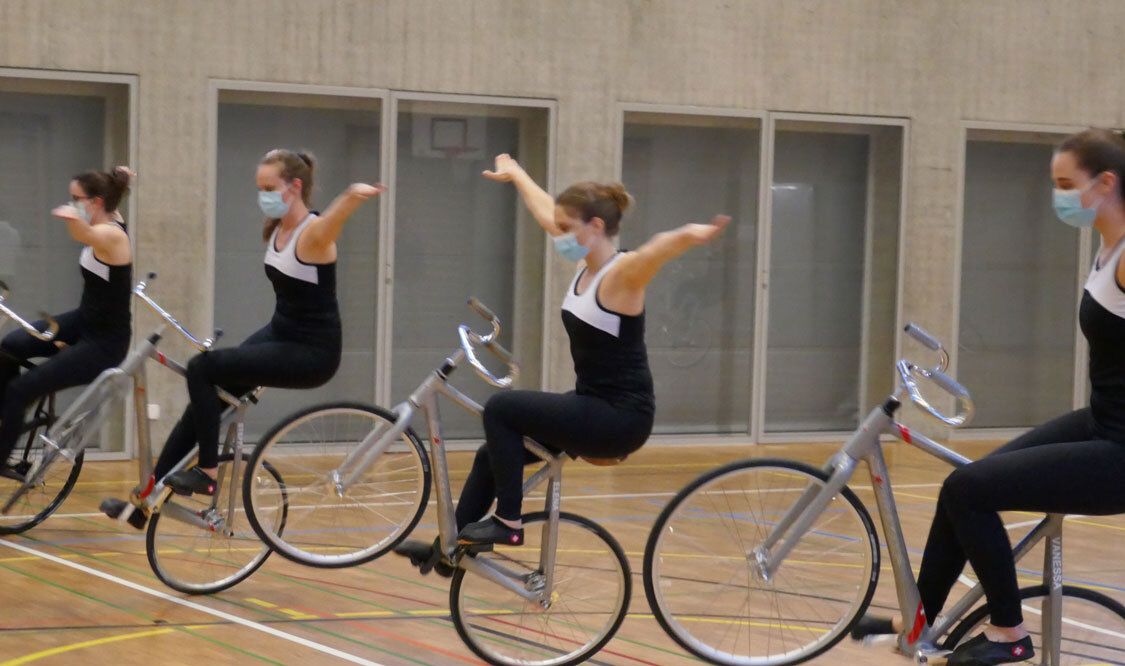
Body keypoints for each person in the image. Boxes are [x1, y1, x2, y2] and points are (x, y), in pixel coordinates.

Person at [855, 126, 1125, 666]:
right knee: (966, 484)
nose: (1059, 196)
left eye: (1067, 184)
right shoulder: (1109, 247)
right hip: (1106, 424)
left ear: (1106, 183)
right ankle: (918, 622)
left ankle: (1010, 635)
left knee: (970, 491)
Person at [398, 153, 729, 575]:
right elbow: (547, 215)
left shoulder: (621, 275)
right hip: (591, 404)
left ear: (595, 228)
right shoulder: (583, 266)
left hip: (619, 417)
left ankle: (508, 524)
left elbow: (655, 251)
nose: (559, 236)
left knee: (503, 408)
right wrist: (517, 173)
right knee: (491, 457)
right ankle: (449, 551)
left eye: (568, 229)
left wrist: (689, 234)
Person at [101, 149, 384, 527]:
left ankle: (208, 475)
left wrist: (350, 196)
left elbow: (332, 221)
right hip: (280, 333)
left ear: (295, 186)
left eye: (269, 187)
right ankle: (145, 506)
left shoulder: (313, 234)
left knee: (202, 368)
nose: (262, 195)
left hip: (312, 352)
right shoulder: (279, 228)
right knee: (203, 404)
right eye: (259, 188)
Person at [0, 166, 134, 479]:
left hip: (104, 344)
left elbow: (83, 234)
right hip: (82, 321)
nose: (72, 203)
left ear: (96, 203)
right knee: (9, 345)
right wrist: (124, 182)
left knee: (22, 390)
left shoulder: (112, 235)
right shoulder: (110, 216)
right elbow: (110, 203)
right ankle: (7, 418)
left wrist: (70, 216)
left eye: (76, 199)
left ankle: (1, 455)